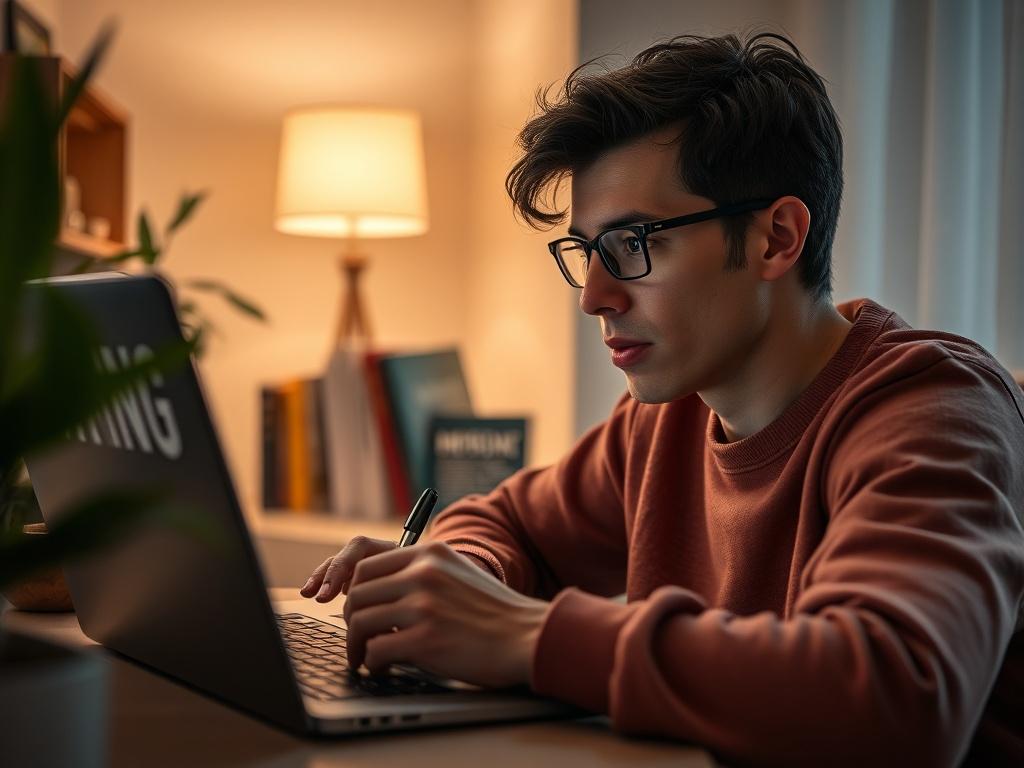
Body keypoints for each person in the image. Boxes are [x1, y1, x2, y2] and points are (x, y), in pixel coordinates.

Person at [300, 31, 1024, 766]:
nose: (594, 297)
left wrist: (523, 636)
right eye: (585, 251)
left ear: (777, 237)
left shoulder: (932, 410)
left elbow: (897, 700)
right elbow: (507, 521)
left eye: (633, 243)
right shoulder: (665, 416)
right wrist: (452, 583)